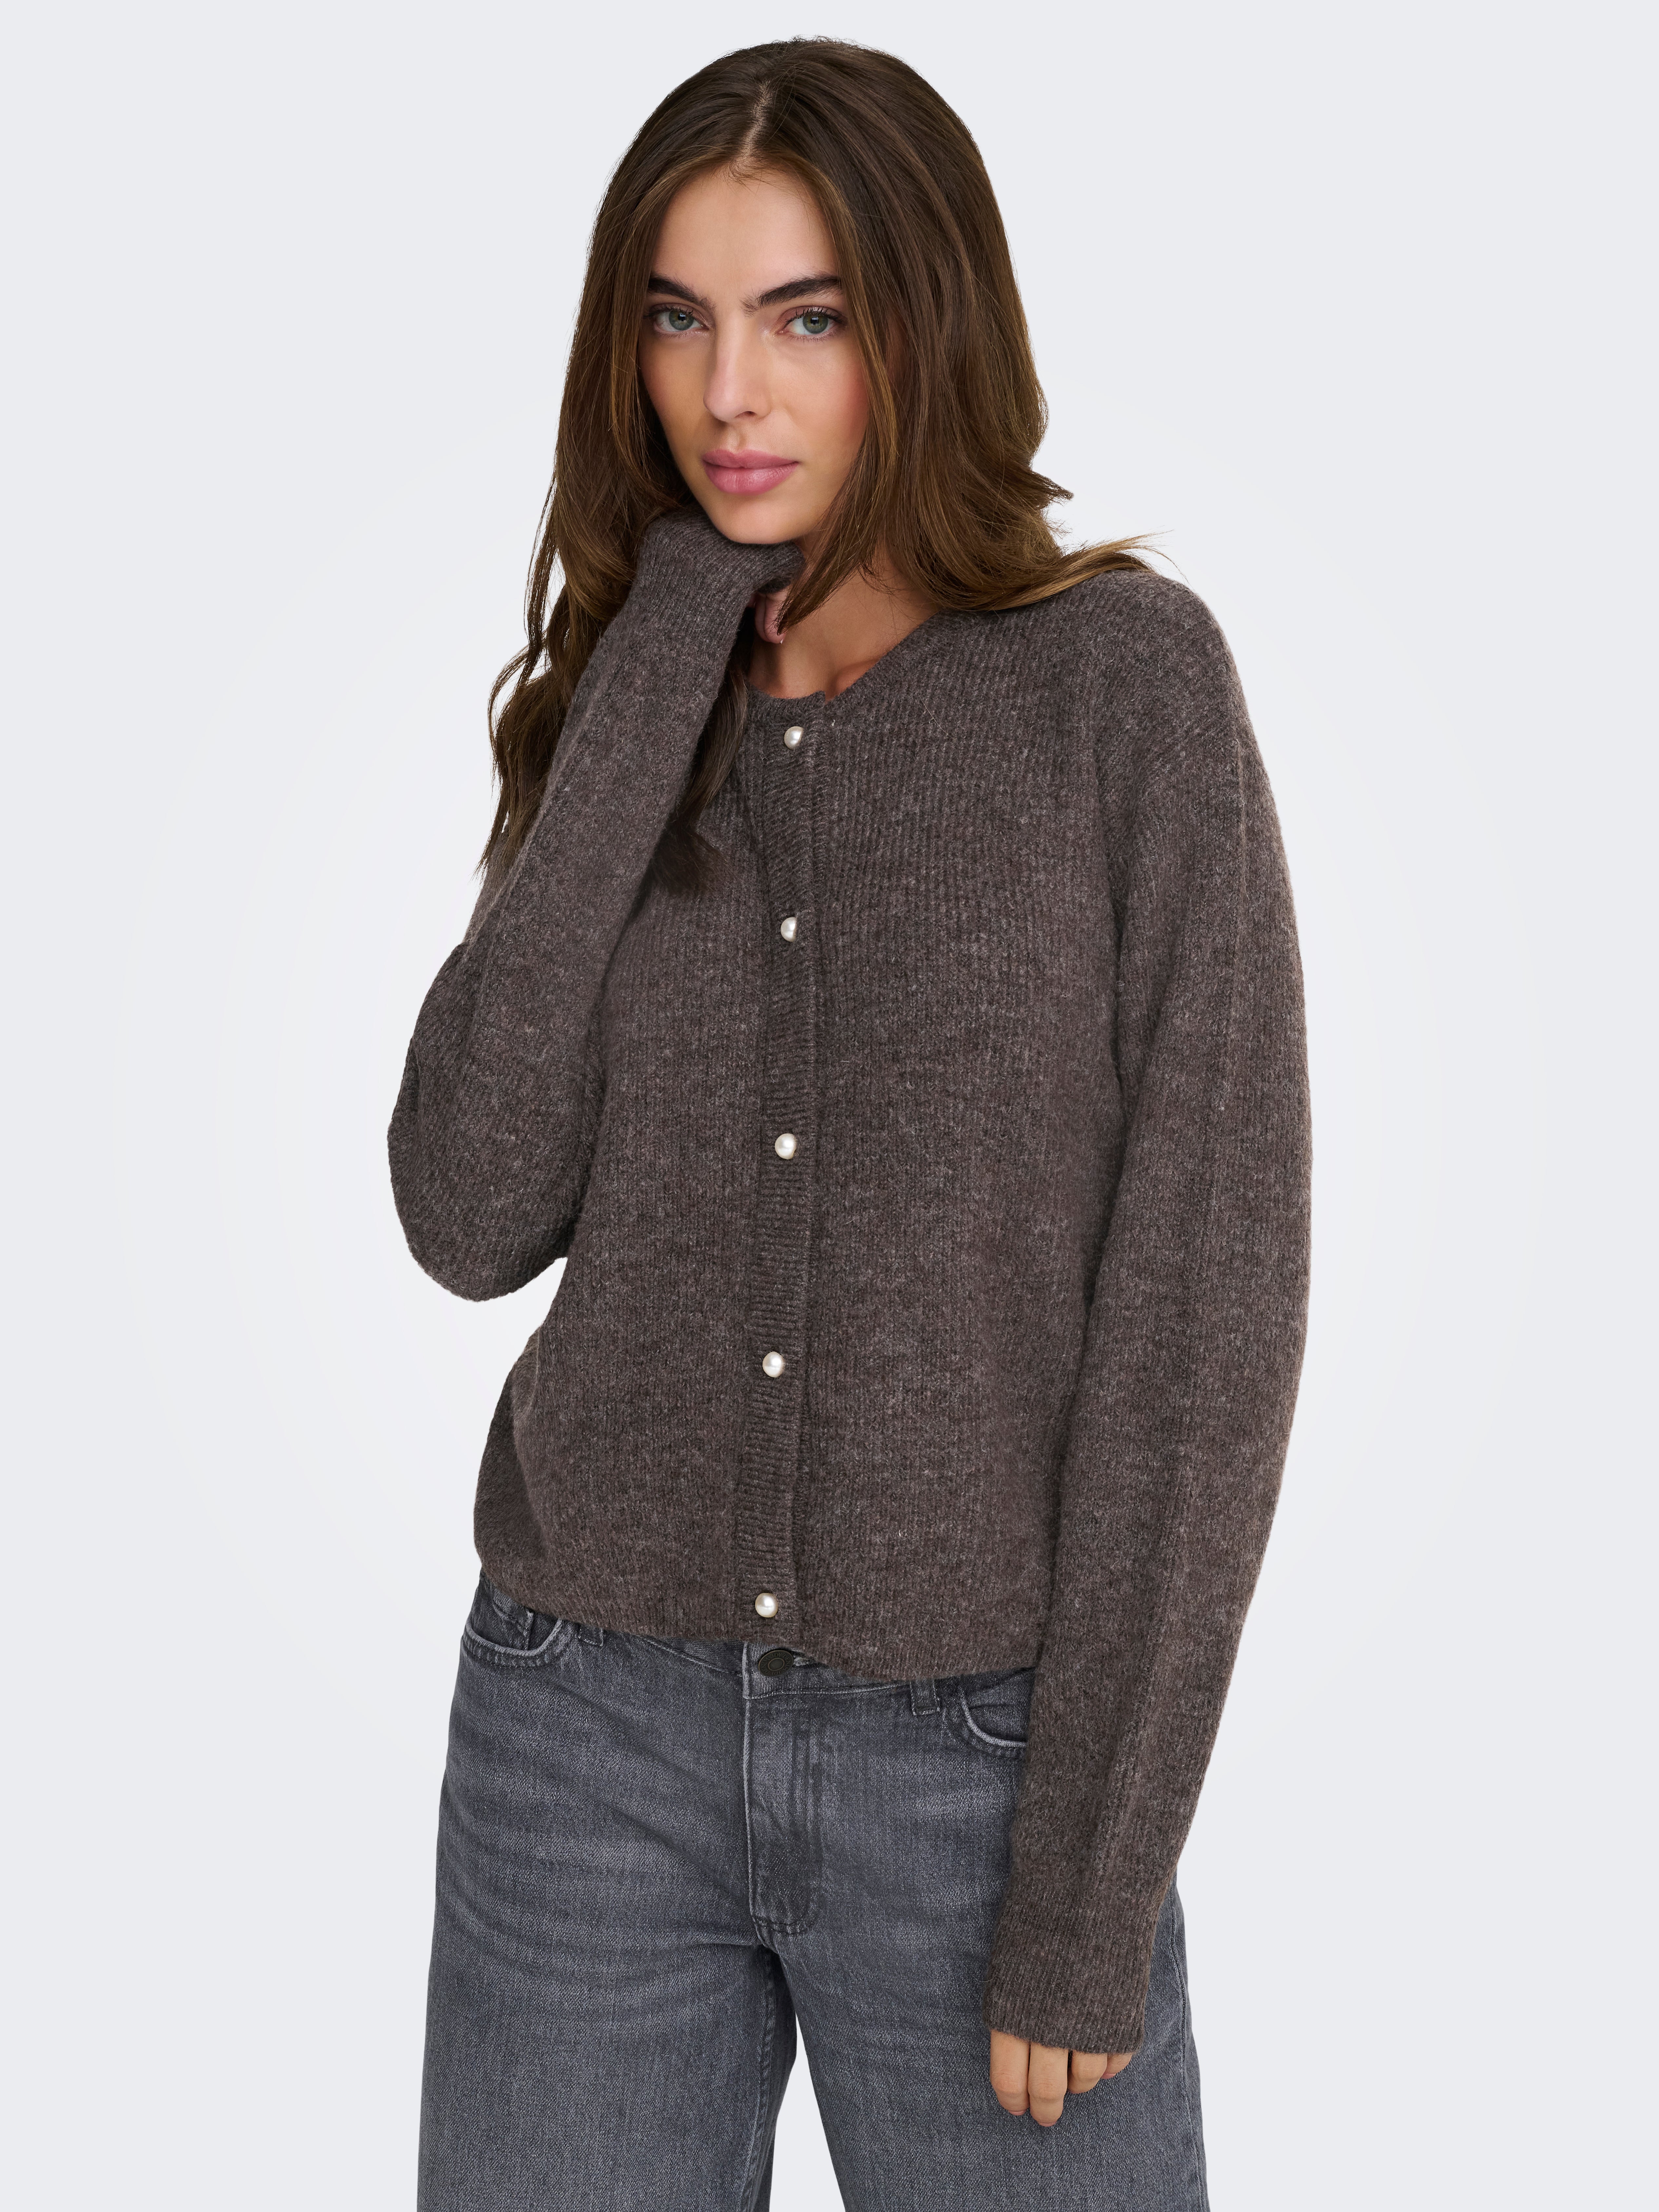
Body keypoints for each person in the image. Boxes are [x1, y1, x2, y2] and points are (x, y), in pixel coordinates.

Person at [389, 36, 1311, 2212]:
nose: (730, 393)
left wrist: (1087, 1881)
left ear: (925, 324)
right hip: (579, 1736)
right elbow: (465, 1207)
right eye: (677, 317)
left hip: (978, 1776)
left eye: (804, 317)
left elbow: (1203, 1314)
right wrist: (653, 659)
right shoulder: (629, 693)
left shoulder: (1121, 688)